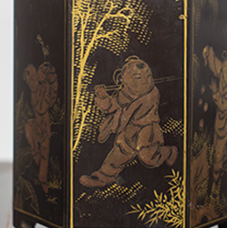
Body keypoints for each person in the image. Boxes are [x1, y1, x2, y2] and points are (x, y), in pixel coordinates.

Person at [79, 57, 178, 188]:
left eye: (148, 76)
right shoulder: (125, 93)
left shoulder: (152, 94)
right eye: (138, 78)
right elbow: (111, 105)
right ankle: (103, 177)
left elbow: (132, 109)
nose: (145, 81)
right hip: (130, 129)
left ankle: (169, 152)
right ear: (124, 79)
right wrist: (103, 96)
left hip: (147, 129)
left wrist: (119, 115)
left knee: (148, 157)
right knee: (119, 152)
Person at [203, 46, 227, 183]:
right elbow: (215, 65)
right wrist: (209, 51)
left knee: (218, 150)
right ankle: (220, 163)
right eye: (226, 64)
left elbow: (224, 105)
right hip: (220, 119)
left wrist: (215, 92)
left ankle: (216, 174)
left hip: (224, 121)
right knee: (217, 146)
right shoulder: (223, 72)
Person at [23, 61, 57, 193]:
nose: (30, 81)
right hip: (37, 122)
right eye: (29, 78)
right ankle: (35, 153)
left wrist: (51, 80)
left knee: (45, 151)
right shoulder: (35, 91)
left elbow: (45, 106)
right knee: (28, 127)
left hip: (44, 124)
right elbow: (39, 108)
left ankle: (43, 179)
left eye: (33, 77)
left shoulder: (44, 89)